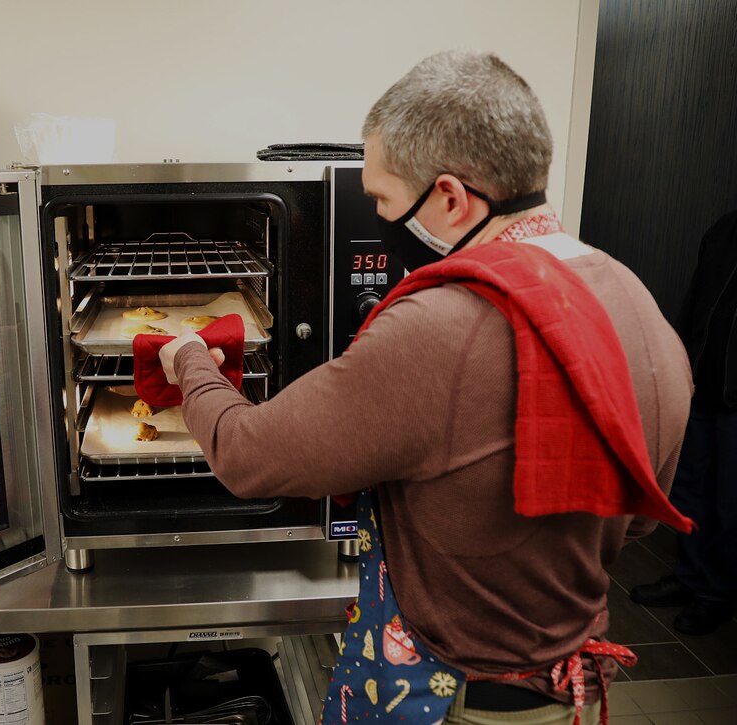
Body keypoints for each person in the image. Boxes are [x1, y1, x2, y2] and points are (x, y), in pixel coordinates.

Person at [156, 50, 693, 725]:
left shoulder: (438, 328)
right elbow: (640, 513)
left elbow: (246, 452)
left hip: (445, 698)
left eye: (380, 198)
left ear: (448, 196)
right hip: (564, 696)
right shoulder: (636, 303)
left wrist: (190, 361)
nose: (377, 217)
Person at [630, 210, 737, 635]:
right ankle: (688, 577)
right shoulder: (724, 230)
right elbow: (695, 303)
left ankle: (717, 594)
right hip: (701, 388)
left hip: (735, 403)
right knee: (688, 490)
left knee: (729, 504)